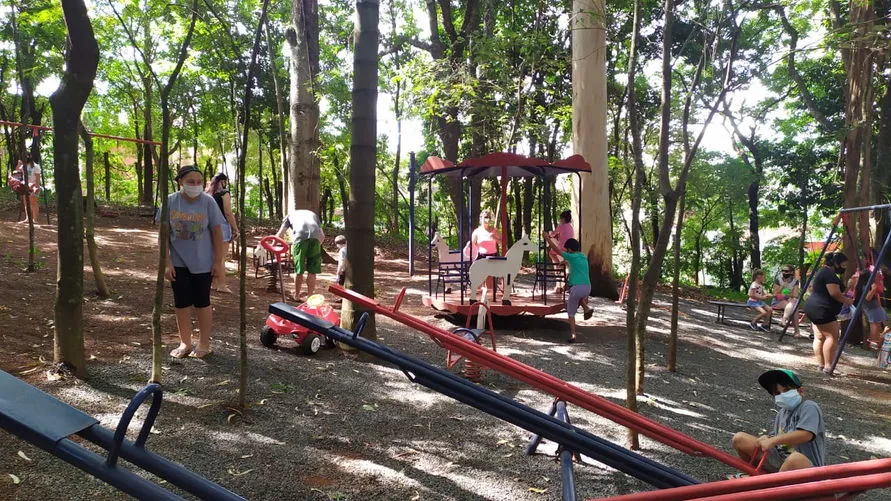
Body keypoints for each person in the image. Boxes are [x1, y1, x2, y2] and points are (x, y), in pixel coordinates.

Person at [163, 166, 225, 359]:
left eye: (199, 182)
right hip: (178, 263)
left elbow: (217, 233)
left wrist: (218, 263)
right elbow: (163, 235)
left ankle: (204, 343)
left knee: (202, 302)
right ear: (180, 181)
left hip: (203, 263)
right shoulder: (170, 202)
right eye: (191, 182)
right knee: (181, 303)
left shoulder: (208, 202)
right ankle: (185, 342)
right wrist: (167, 263)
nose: (195, 185)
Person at [731, 369, 826, 474]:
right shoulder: (781, 413)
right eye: (777, 393)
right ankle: (758, 476)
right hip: (781, 462)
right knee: (739, 438)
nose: (782, 395)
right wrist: (767, 438)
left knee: (795, 459)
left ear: (800, 391)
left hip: (805, 467)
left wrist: (773, 440)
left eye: (786, 390)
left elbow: (806, 434)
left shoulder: (809, 406)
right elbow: (777, 439)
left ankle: (768, 485)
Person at [804, 252, 854, 374]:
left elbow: (835, 291)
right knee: (832, 336)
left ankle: (821, 365)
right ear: (836, 263)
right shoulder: (829, 274)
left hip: (813, 307)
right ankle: (828, 366)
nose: (844, 268)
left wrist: (849, 287)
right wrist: (847, 301)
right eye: (843, 265)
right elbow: (834, 293)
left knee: (820, 337)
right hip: (822, 309)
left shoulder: (823, 272)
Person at [543, 232, 593, 343]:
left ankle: (573, 335)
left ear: (570, 249)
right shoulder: (583, 256)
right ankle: (586, 308)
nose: (566, 251)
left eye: (567, 249)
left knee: (571, 312)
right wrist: (566, 262)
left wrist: (547, 239)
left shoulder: (571, 256)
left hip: (577, 288)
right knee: (576, 296)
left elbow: (556, 250)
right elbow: (576, 264)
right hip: (587, 287)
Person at [276, 209, 324, 301]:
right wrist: (317, 245)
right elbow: (322, 235)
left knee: (299, 270)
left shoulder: (289, 216)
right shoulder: (313, 214)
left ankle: (297, 295)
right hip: (316, 239)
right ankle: (310, 297)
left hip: (300, 239)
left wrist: (272, 245)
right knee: (312, 271)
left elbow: (280, 234)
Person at [206, 173, 239, 293]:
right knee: (221, 258)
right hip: (222, 227)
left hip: (209, 227)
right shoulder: (224, 193)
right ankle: (222, 285)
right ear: (223, 181)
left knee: (213, 257)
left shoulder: (208, 194)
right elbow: (228, 212)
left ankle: (214, 283)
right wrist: (235, 228)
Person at [469, 209, 502, 293]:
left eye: (488, 217)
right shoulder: (477, 231)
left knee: (490, 276)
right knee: (477, 272)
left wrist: (494, 238)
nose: (486, 219)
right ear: (481, 219)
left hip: (492, 256)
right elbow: (472, 245)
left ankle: (490, 293)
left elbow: (503, 243)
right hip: (480, 256)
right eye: (484, 217)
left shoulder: (495, 230)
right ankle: (479, 292)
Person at [548, 210, 575, 294]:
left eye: (560, 219)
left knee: (551, 253)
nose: (560, 221)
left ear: (563, 219)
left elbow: (552, 234)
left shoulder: (561, 226)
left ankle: (558, 264)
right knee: (568, 264)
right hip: (569, 248)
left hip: (561, 248)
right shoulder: (570, 227)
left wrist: (549, 235)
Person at [860, 266, 887, 350]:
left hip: (874, 308)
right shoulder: (866, 286)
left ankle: (876, 343)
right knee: (876, 325)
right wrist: (873, 289)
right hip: (873, 308)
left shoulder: (864, 285)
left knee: (877, 325)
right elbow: (868, 298)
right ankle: (875, 343)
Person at [773, 265, 800, 330]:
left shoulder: (795, 281)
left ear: (791, 272)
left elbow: (795, 295)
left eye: (786, 271)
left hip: (790, 300)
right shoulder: (778, 279)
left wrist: (787, 293)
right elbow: (775, 294)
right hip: (778, 301)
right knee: (794, 308)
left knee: (793, 304)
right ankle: (796, 331)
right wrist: (782, 286)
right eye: (782, 271)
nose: (784, 273)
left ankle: (783, 320)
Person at [17, 155, 41, 223]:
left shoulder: (36, 166)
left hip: (33, 186)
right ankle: (27, 218)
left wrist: (36, 187)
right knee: (26, 202)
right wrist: (19, 164)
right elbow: (17, 171)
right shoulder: (24, 166)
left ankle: (35, 219)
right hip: (25, 186)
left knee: (33, 202)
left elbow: (38, 178)